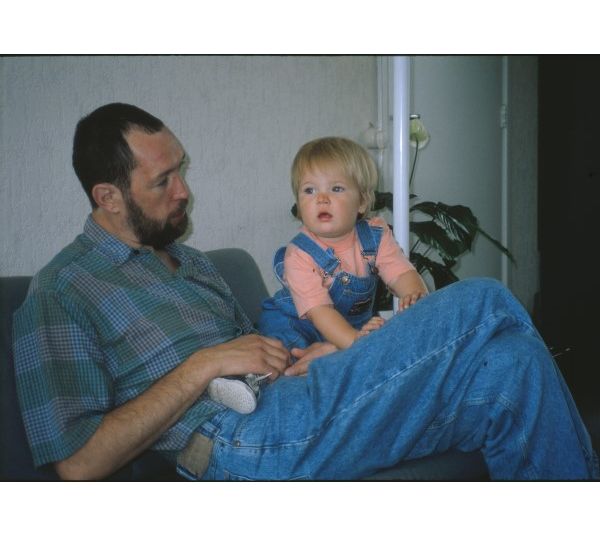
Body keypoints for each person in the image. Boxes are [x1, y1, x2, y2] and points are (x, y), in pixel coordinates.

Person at [13, 102, 598, 481]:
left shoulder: (190, 263)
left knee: (511, 366)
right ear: (108, 197)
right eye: (163, 180)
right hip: (233, 439)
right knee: (483, 300)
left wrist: (309, 354)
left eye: (181, 170)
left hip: (289, 393)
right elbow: (77, 462)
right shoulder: (64, 289)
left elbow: (261, 346)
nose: (184, 191)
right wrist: (202, 365)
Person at [259, 136, 428, 352]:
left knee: (384, 340)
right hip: (297, 324)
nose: (321, 198)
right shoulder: (300, 254)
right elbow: (320, 312)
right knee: (282, 351)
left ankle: (331, 355)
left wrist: (413, 295)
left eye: (336, 188)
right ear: (299, 206)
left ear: (362, 202)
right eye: (309, 190)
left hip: (349, 327)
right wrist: (355, 344)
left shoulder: (375, 236)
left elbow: (400, 272)